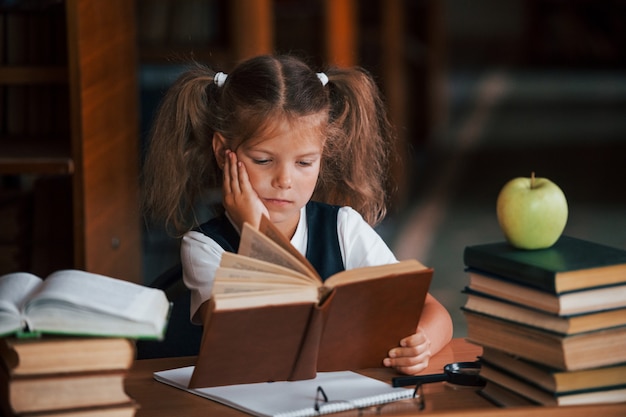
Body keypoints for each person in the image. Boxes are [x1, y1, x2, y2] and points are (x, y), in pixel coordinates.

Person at [142, 54, 453, 375]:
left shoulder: (343, 227)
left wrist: (423, 342)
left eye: (304, 163)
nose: (285, 181)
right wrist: (257, 231)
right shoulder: (205, 247)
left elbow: (434, 311)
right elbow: (246, 342)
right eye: (263, 160)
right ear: (223, 152)